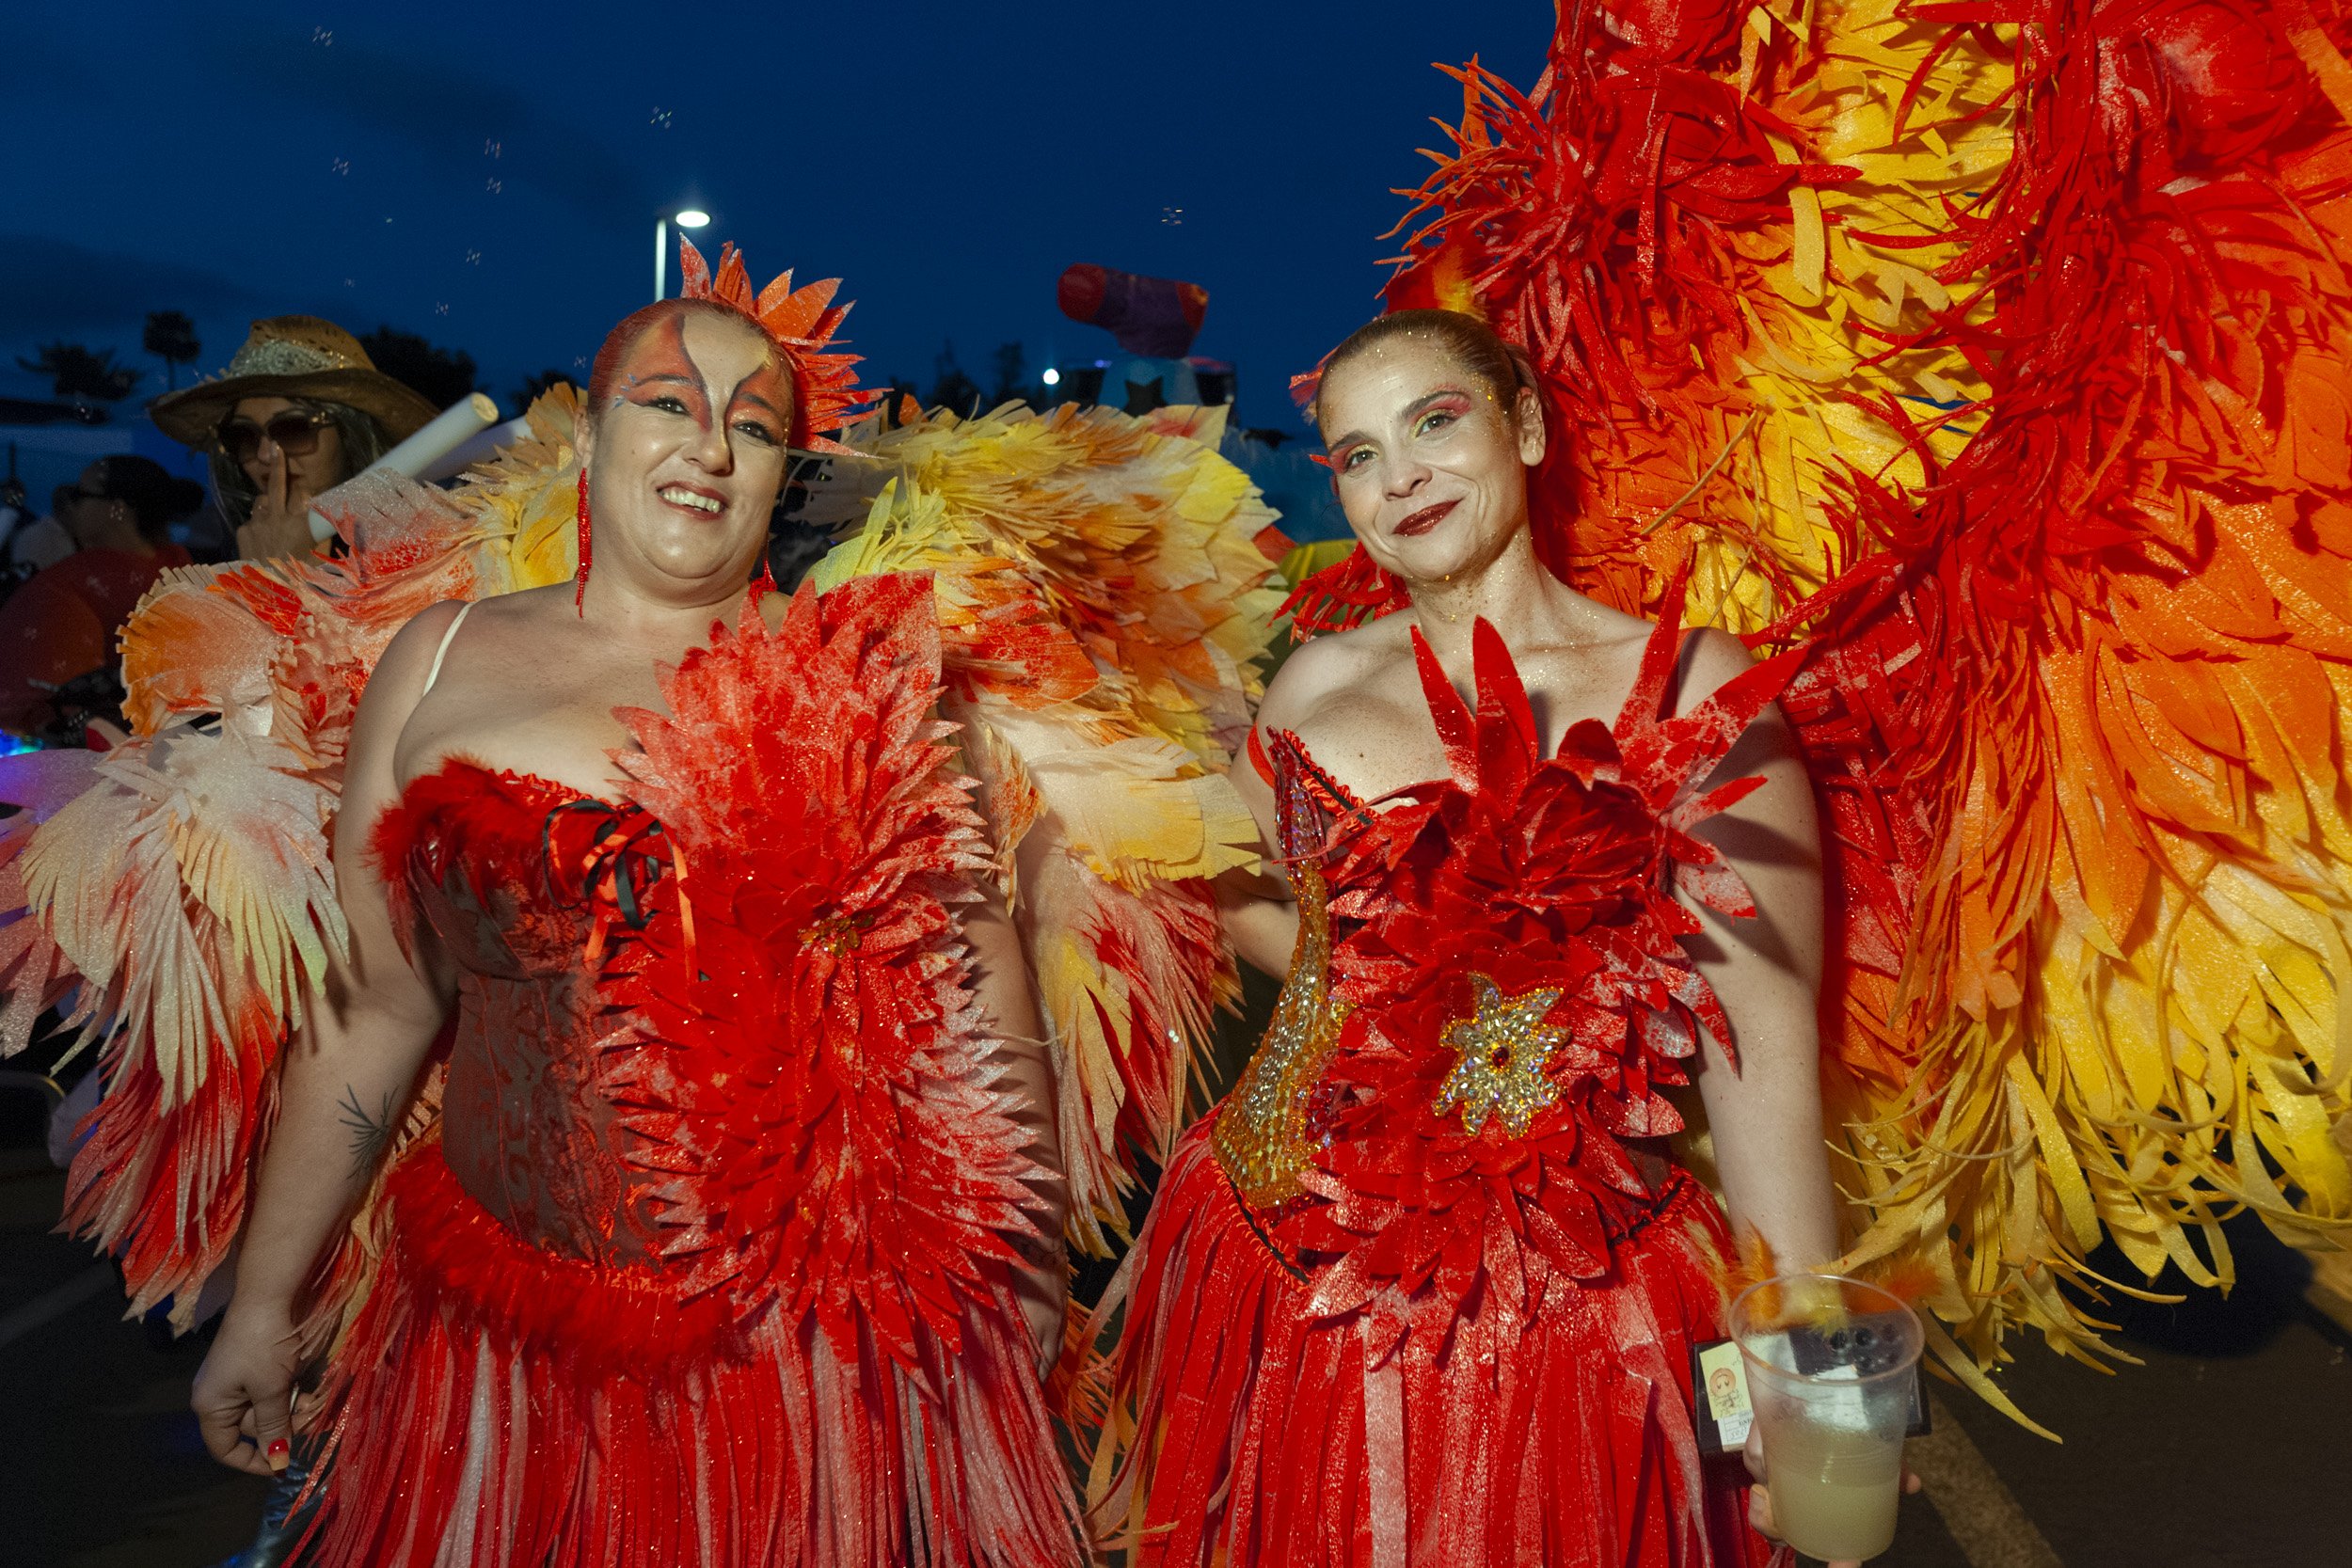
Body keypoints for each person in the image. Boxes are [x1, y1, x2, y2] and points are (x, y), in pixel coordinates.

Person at [185, 255, 1087, 1566]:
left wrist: (1032, 1254)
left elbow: (976, 999)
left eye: (755, 425)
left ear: (782, 474)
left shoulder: (853, 678)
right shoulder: (436, 657)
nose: (710, 445)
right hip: (498, 1351)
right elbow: (377, 1005)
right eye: (669, 403)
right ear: (591, 436)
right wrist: (263, 1301)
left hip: (799, 1363)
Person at [1084, 309, 1840, 1565]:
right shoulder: (1314, 687)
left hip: (1571, 1320)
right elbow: (1256, 900)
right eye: (1359, 454)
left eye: (1435, 421)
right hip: (1283, 1275)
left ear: (1526, 425)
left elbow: (1755, 1052)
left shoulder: (1693, 693)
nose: (1403, 475)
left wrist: (1810, 1373)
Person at [149, 316, 436, 561]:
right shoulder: (217, 557)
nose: (265, 454)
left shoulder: (426, 553)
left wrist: (277, 581)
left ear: (350, 436)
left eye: (293, 429)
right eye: (243, 436)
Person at [0, 454, 199, 735]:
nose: (72, 505)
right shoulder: (181, 568)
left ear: (117, 509)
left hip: (99, 735)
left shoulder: (73, 580)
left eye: (80, 495)